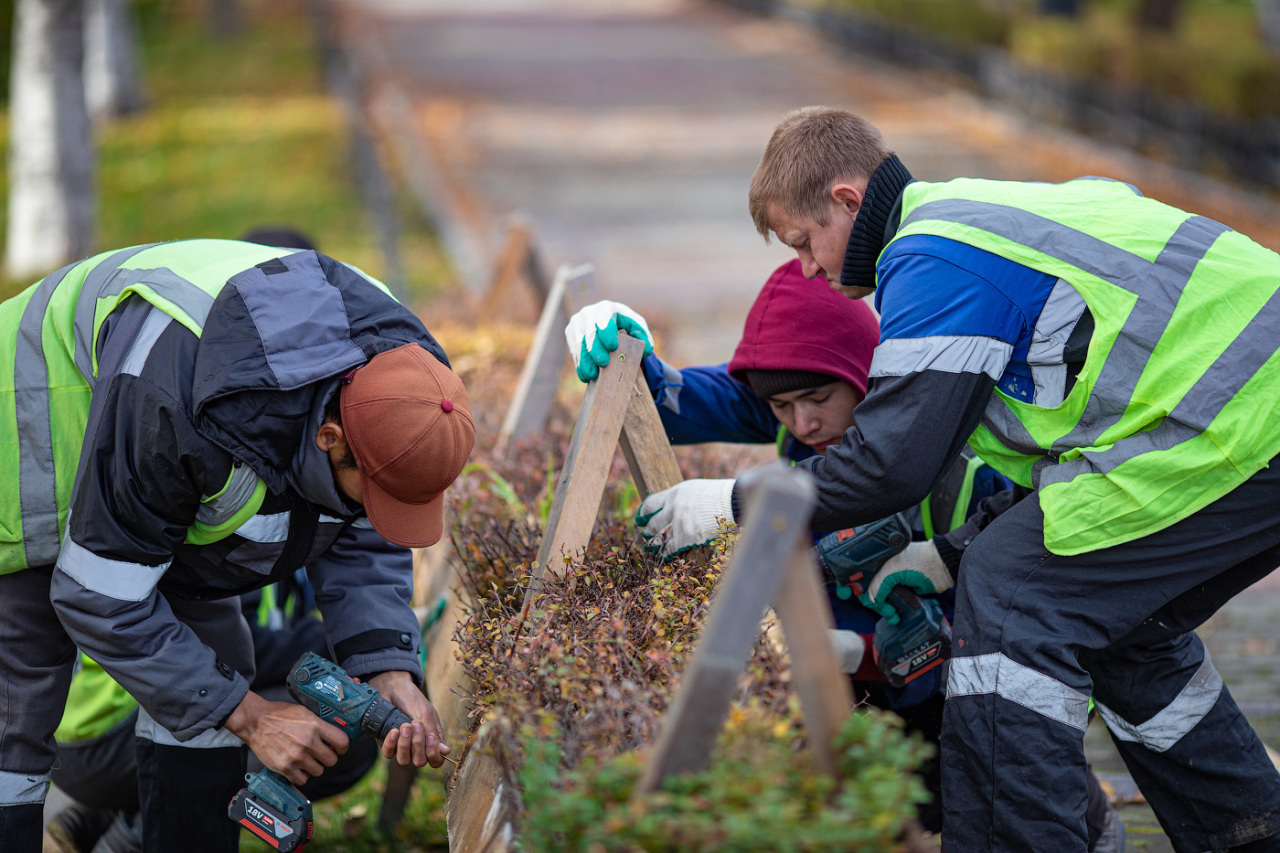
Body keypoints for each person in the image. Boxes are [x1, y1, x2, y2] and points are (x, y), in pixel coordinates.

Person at [574, 106, 1280, 852]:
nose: (808, 267)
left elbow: (890, 458)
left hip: (1236, 419)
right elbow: (798, 401)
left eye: (805, 242)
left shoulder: (935, 258)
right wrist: (648, 376)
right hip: (1232, 420)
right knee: (1122, 630)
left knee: (1012, 595)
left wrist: (731, 501)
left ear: (847, 200)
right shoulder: (971, 224)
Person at [566, 260, 1123, 850]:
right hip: (878, 691)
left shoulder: (964, 470)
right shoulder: (797, 414)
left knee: (1006, 791)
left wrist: (869, 652)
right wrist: (623, 349)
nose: (801, 424)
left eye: (815, 399)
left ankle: (1091, 828)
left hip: (980, 684)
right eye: (780, 408)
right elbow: (675, 404)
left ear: (865, 377)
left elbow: (1013, 620)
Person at [0, 238, 474, 852]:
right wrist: (253, 717)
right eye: (374, 492)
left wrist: (387, 668)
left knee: (213, 668)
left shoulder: (400, 378)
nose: (374, 511)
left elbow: (353, 526)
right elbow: (98, 597)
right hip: (31, 426)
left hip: (153, 429)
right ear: (330, 435)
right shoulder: (184, 405)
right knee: (19, 713)